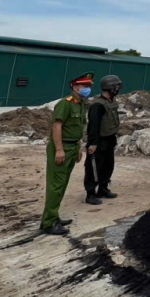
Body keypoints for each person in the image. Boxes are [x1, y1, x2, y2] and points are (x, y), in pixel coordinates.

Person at [40, 72, 94, 235]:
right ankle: (49, 223)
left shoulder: (81, 104)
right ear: (76, 87)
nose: (88, 89)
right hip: (62, 147)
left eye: (89, 87)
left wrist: (78, 148)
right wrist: (59, 149)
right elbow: (57, 127)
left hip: (72, 147)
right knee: (56, 186)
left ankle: (53, 216)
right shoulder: (65, 103)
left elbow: (77, 129)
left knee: (62, 185)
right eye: (85, 86)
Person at [83, 74, 123, 205]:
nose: (118, 88)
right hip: (98, 142)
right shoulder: (97, 105)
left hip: (109, 139)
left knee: (108, 166)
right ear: (110, 88)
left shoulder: (111, 102)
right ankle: (90, 194)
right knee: (94, 168)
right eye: (116, 86)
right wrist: (93, 143)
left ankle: (103, 188)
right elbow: (93, 126)